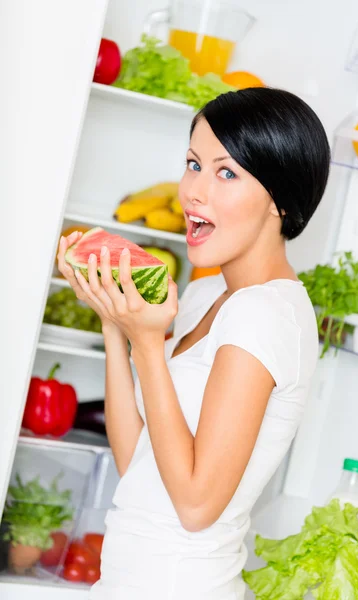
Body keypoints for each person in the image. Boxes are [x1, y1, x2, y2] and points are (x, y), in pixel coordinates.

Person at [57, 87, 330, 600]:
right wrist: (115, 324)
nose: (193, 192)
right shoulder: (209, 293)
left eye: (226, 172)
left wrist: (146, 343)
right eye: (193, 163)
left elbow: (197, 505)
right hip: (125, 583)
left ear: (278, 199)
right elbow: (137, 464)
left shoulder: (266, 314)